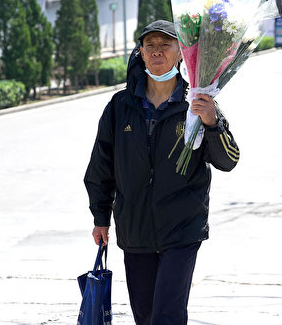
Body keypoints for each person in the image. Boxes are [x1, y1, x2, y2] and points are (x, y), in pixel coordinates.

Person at [84, 20, 240, 324]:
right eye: (150, 45)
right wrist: (101, 218)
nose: (157, 52)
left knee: (167, 315)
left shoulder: (197, 103)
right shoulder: (120, 106)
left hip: (182, 230)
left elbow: (228, 160)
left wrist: (212, 123)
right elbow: (101, 167)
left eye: (165, 45)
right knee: (145, 316)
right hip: (135, 230)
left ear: (181, 53)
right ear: (141, 52)